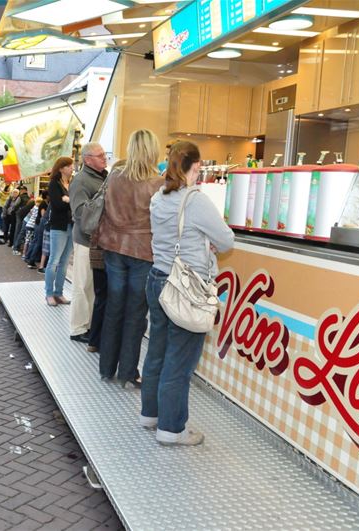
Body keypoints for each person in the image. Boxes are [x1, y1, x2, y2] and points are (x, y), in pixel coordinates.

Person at [141, 141, 234, 446]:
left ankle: (151, 415)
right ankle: (171, 429)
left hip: (157, 279)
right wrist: (207, 240)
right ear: (196, 166)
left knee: (157, 351)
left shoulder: (158, 197)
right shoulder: (195, 200)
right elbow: (226, 240)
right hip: (187, 287)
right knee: (179, 360)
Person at [96, 130, 164, 387]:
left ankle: (106, 367)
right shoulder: (157, 184)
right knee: (136, 312)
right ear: (152, 150)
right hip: (143, 251)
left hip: (113, 246)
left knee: (114, 307)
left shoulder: (114, 177)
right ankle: (127, 372)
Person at [68, 142, 108, 343]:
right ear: (87, 159)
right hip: (86, 241)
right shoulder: (81, 181)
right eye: (100, 155)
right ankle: (78, 328)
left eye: (104, 154)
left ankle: (89, 325)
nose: (104, 158)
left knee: (92, 286)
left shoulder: (104, 177)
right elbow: (79, 214)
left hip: (99, 241)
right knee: (82, 285)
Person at [44, 157, 74, 307]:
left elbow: (74, 201)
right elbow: (57, 205)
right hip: (59, 226)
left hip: (72, 226)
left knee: (64, 263)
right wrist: (69, 201)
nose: (72, 168)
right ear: (61, 168)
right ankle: (49, 293)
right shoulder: (54, 184)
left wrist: (67, 199)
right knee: (54, 261)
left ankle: (59, 293)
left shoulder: (72, 183)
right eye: (69, 166)